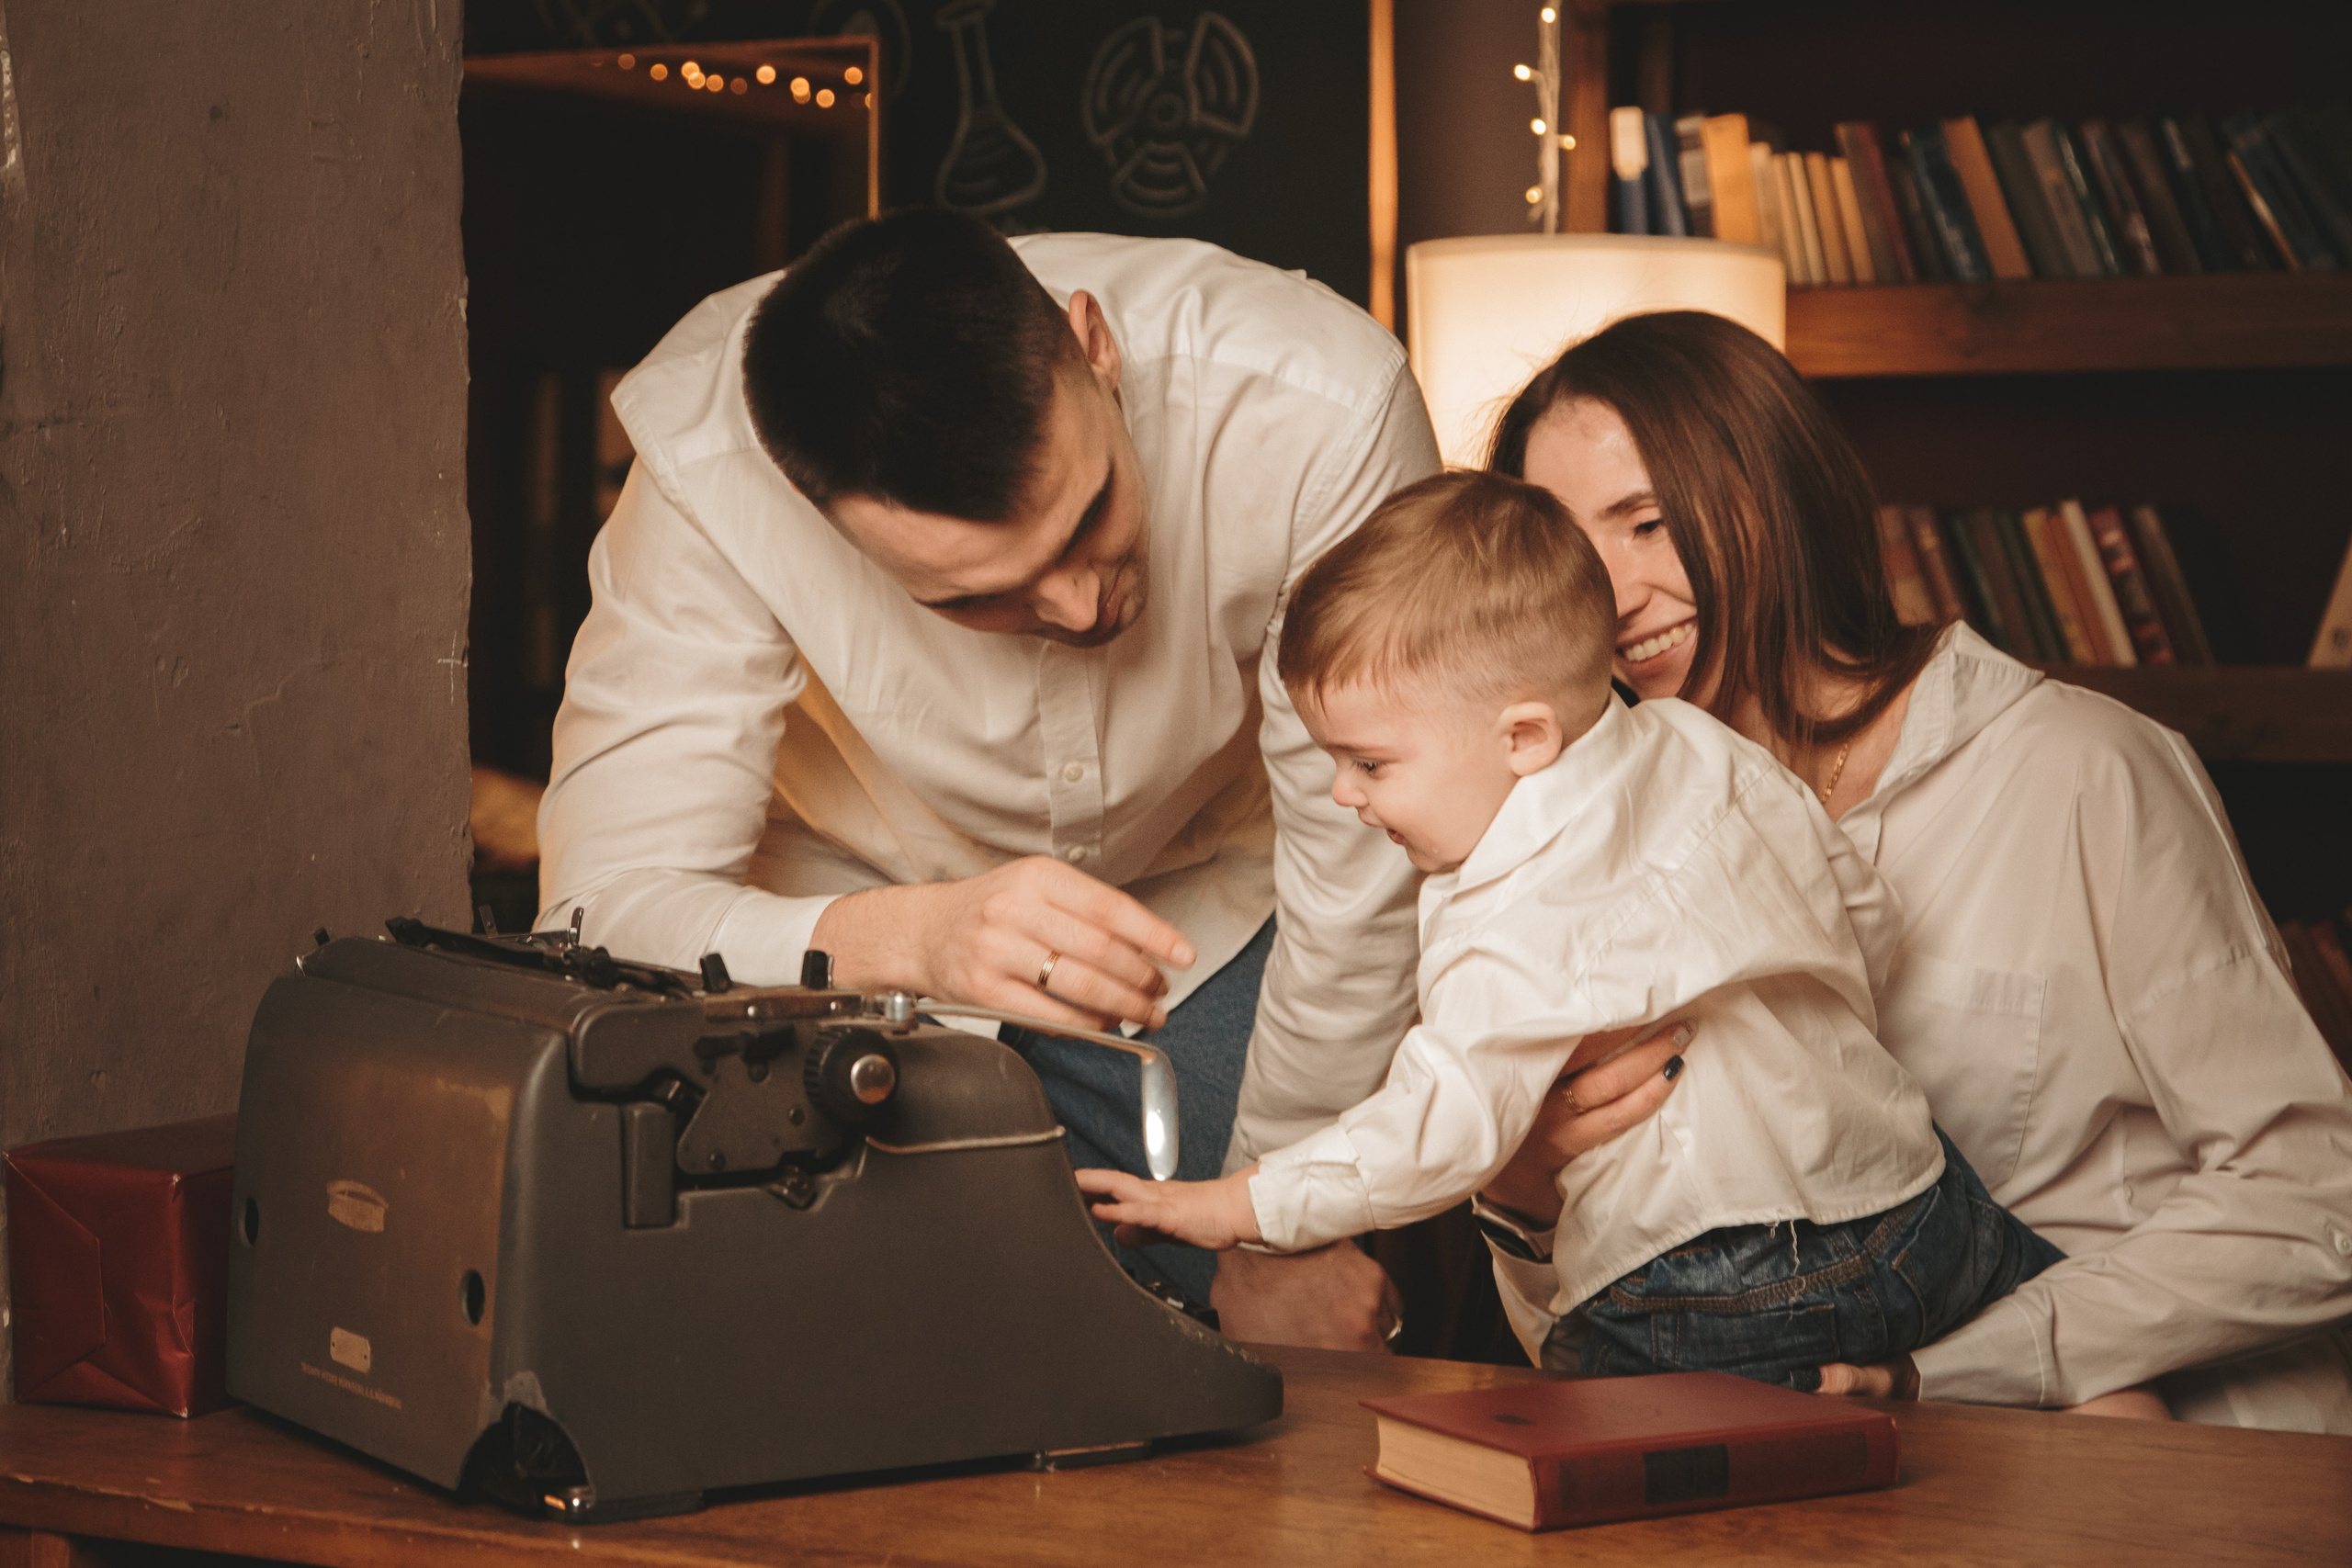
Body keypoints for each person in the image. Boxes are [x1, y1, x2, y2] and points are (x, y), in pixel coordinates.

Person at [535, 209, 1440, 1339]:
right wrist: (914, 941)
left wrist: (1263, 1229)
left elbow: (1360, 876)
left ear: (1093, 348)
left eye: (1090, 519)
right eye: (972, 599)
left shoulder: (1319, 409)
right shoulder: (709, 475)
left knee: (1327, 1236)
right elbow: (594, 919)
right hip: (841, 951)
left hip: (1207, 912)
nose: (1073, 606)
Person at [1476, 310, 2352, 1428]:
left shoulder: (2079, 770)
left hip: (2142, 1449)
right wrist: (1521, 1200)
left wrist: (1978, 1363)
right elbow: (1603, 1335)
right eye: (1567, 555)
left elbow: (2315, 1195)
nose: (1612, 594)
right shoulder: (1589, 852)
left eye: (1647, 524)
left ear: (1774, 495)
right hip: (1816, 1455)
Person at [1078, 470, 2064, 1389]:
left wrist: (1235, 1205)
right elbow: (1860, 908)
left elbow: (1435, 1131)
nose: (1341, 795)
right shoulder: (1698, 743)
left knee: (1594, 1501)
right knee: (2053, 1343)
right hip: (1905, 1196)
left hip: (1697, 1277)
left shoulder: (1503, 913)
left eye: (1368, 763)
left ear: (1523, 738)